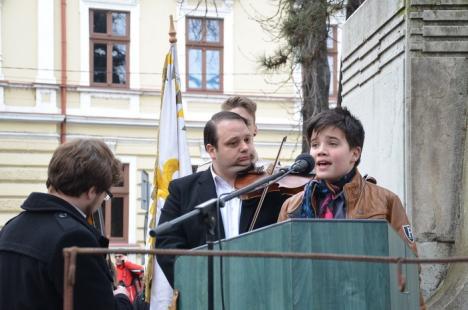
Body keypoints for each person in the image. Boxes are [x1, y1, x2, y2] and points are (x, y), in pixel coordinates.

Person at [277, 107, 425, 308]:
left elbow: (408, 270)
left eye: (332, 143)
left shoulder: (385, 201)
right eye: (314, 144)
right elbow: (280, 271)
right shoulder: (291, 206)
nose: (321, 150)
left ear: (354, 153)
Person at [152, 111, 289, 309]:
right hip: (204, 299)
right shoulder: (183, 190)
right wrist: (202, 284)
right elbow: (166, 246)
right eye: (233, 143)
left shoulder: (272, 188)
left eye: (247, 140)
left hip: (263, 299)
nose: (245, 147)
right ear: (212, 150)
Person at [0, 138, 132, 310]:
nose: (103, 201)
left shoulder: (12, 226)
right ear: (92, 191)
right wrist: (121, 297)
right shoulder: (74, 237)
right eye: (105, 194)